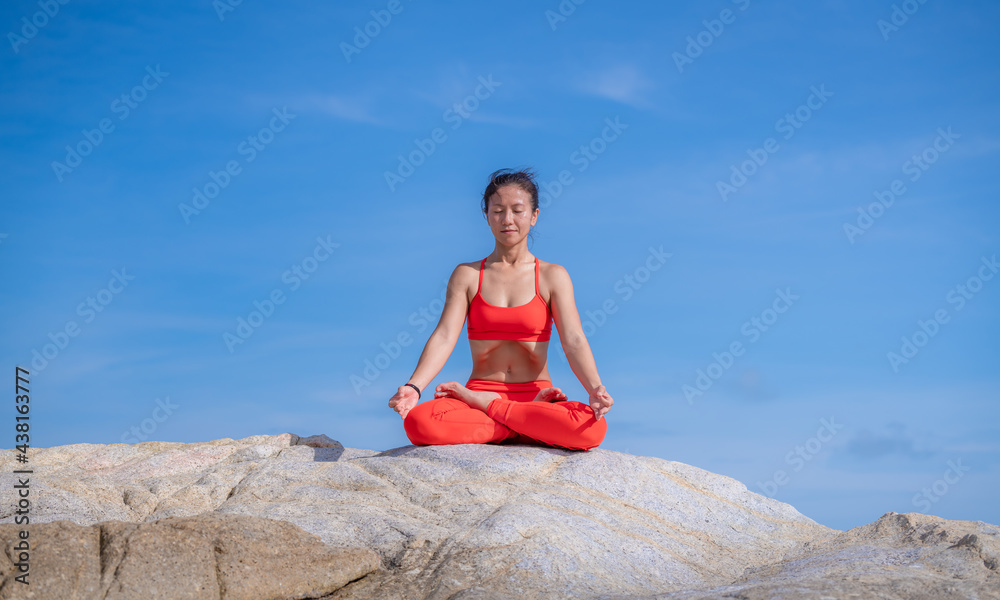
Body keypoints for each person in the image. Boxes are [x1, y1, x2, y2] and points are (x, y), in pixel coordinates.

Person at [388, 168, 613, 451]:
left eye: (518, 210)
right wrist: (414, 387)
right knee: (419, 422)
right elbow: (445, 336)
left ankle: (504, 418)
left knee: (592, 428)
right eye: (497, 211)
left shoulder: (552, 276)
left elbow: (574, 339)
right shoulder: (467, 275)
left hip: (534, 395)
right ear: (487, 216)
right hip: (480, 395)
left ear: (534, 216)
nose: (507, 220)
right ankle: (524, 428)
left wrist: (595, 389)